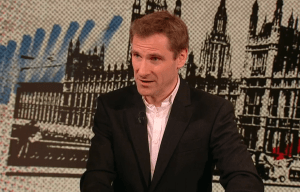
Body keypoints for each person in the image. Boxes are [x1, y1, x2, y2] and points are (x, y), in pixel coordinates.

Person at [80, 11, 264, 192]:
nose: (142, 71)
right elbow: (96, 178)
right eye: (137, 56)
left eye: (154, 58)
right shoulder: (111, 106)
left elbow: (244, 177)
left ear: (181, 58)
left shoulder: (213, 111)